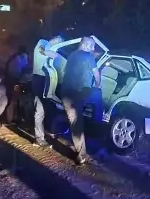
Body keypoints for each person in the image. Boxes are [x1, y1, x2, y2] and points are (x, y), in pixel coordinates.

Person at [58, 36, 101, 165]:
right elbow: (96, 74)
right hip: (78, 93)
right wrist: (97, 85)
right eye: (92, 45)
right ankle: (81, 154)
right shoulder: (89, 57)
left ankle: (79, 147)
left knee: (74, 121)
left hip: (66, 93)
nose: (93, 48)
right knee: (77, 122)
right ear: (86, 45)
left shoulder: (71, 55)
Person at [31, 35, 65, 147]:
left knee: (48, 108)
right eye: (58, 41)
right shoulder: (43, 42)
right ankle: (39, 139)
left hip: (44, 80)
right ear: (55, 39)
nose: (58, 44)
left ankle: (47, 132)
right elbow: (41, 50)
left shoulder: (51, 48)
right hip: (39, 79)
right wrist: (55, 55)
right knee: (40, 110)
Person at [4, 45, 30, 124]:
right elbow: (16, 73)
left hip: (16, 81)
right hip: (13, 81)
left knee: (16, 100)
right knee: (13, 100)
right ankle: (10, 119)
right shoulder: (16, 60)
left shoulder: (19, 57)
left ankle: (14, 117)